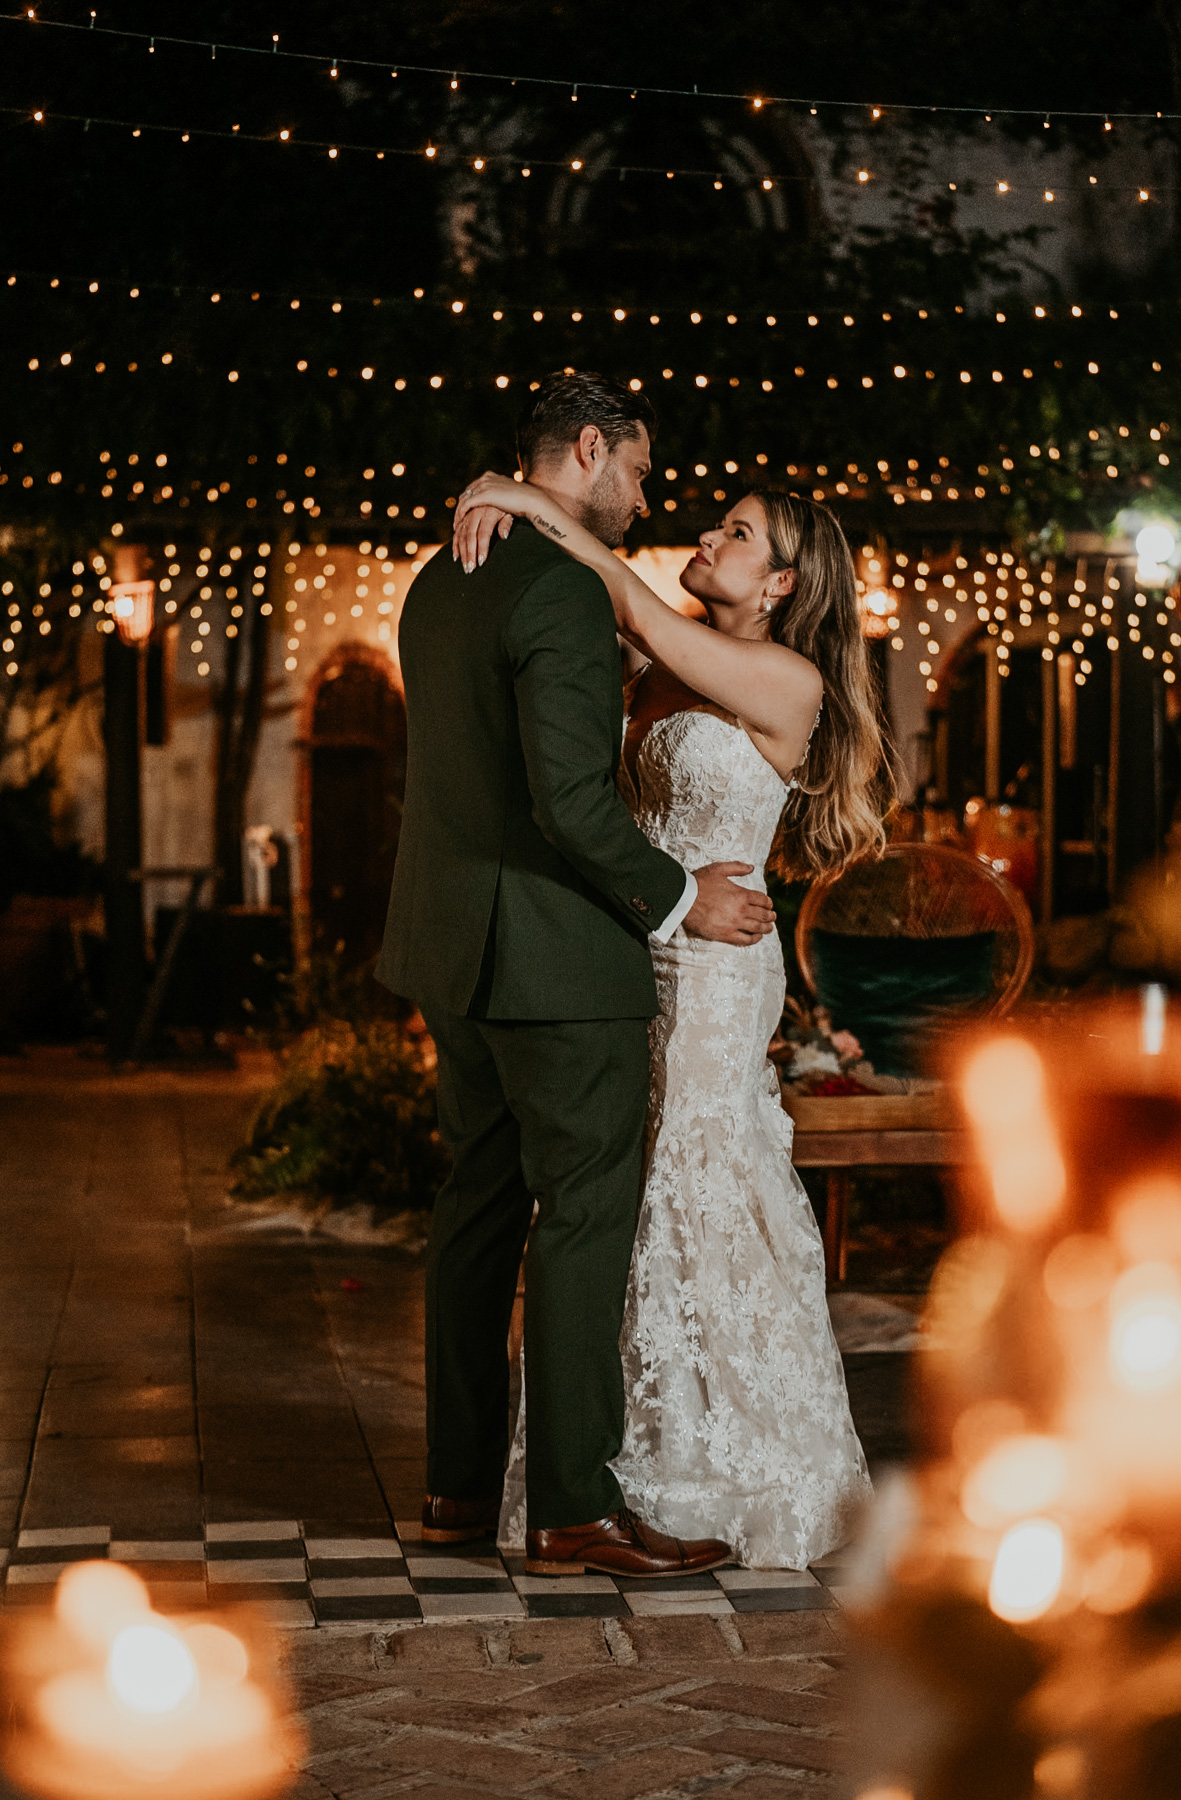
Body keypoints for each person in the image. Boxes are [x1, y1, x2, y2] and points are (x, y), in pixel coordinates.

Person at [454, 436, 890, 1568]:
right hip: (628, 954)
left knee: (690, 1182)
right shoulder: (652, 668)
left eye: (737, 535)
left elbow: (642, 613)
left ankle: (711, 1463)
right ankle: (610, 1459)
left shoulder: (784, 681)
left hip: (713, 973)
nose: (709, 537)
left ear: (784, 584)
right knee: (619, 1193)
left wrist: (524, 498)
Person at [376, 371, 777, 1580]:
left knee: (479, 1209)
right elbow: (568, 800)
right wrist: (678, 897)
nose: (648, 495)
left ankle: (456, 1488)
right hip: (557, 958)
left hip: (451, 947)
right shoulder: (558, 593)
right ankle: (570, 1512)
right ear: (589, 451)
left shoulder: (442, 577)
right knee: (588, 1215)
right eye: (640, 470)